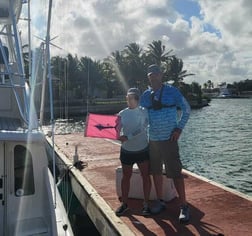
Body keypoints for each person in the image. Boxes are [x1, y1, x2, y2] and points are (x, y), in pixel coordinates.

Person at [140, 64, 191, 223]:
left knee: (175, 172)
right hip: (153, 140)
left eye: (156, 74)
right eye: (150, 75)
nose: (153, 77)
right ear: (148, 77)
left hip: (170, 139)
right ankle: (160, 201)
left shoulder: (172, 91)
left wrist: (179, 129)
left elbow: (186, 109)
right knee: (156, 171)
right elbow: (140, 115)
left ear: (161, 75)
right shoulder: (145, 95)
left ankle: (184, 206)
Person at [115, 88, 152, 217]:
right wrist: (116, 133)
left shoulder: (143, 111)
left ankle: (146, 204)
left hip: (142, 149)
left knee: (145, 176)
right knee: (126, 177)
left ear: (137, 99)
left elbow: (143, 127)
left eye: (131, 98)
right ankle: (125, 204)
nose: (129, 100)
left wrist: (128, 137)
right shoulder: (121, 113)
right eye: (127, 98)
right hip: (126, 150)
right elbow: (116, 127)